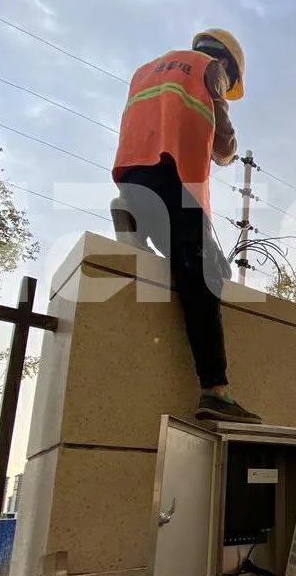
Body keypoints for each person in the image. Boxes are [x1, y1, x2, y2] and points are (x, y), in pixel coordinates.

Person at [111, 28, 261, 424]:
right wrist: (226, 142)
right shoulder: (209, 68)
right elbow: (223, 142)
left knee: (200, 262)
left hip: (133, 175)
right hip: (174, 173)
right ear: (227, 62)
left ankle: (132, 216)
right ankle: (216, 390)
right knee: (204, 278)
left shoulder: (146, 71)